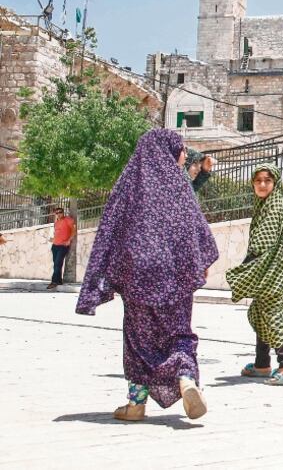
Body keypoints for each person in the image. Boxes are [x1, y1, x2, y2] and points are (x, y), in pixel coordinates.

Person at [76, 129, 219, 422]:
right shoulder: (178, 186)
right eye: (181, 150)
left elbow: (110, 228)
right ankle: (186, 379)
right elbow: (196, 227)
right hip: (176, 275)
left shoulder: (129, 184)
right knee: (180, 334)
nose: (184, 155)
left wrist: (108, 274)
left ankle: (136, 404)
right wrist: (200, 261)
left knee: (138, 340)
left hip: (137, 275)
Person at [226, 163, 283, 385]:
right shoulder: (264, 203)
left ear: (275, 183)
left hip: (275, 266)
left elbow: (264, 240)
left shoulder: (273, 205)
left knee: (269, 310)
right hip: (273, 264)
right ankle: (262, 363)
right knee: (259, 310)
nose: (262, 184)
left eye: (267, 181)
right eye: (258, 180)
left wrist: (247, 266)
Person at [47, 207, 77, 289]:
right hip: (55, 246)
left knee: (57, 263)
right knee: (56, 264)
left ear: (63, 212)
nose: (58, 214)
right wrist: (53, 239)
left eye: (60, 212)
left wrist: (69, 240)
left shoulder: (68, 220)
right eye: (56, 213)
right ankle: (59, 280)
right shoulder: (56, 222)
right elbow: (57, 233)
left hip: (63, 246)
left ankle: (54, 281)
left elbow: (73, 230)